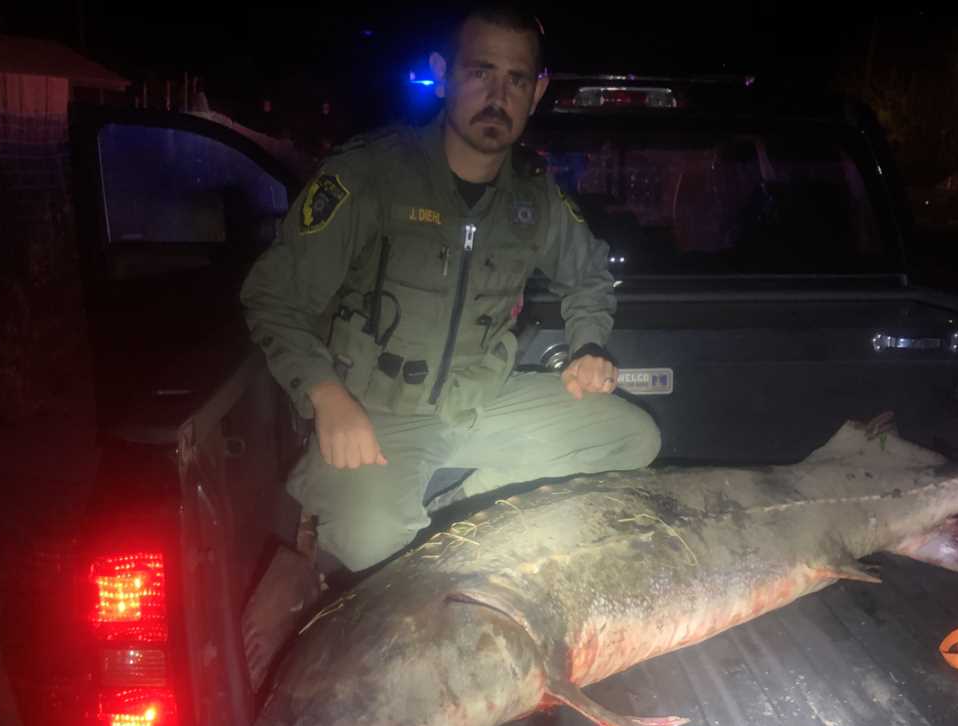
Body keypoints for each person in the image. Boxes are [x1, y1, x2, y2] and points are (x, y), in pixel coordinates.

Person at [239, 2, 660, 573]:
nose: (498, 95)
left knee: (631, 439)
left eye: (516, 80)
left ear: (536, 94)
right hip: (378, 408)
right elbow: (272, 296)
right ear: (442, 74)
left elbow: (588, 275)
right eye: (480, 71)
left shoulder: (532, 196)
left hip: (481, 400)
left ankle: (456, 518)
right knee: (369, 543)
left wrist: (588, 343)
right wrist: (327, 398)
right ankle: (414, 532)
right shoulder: (370, 174)